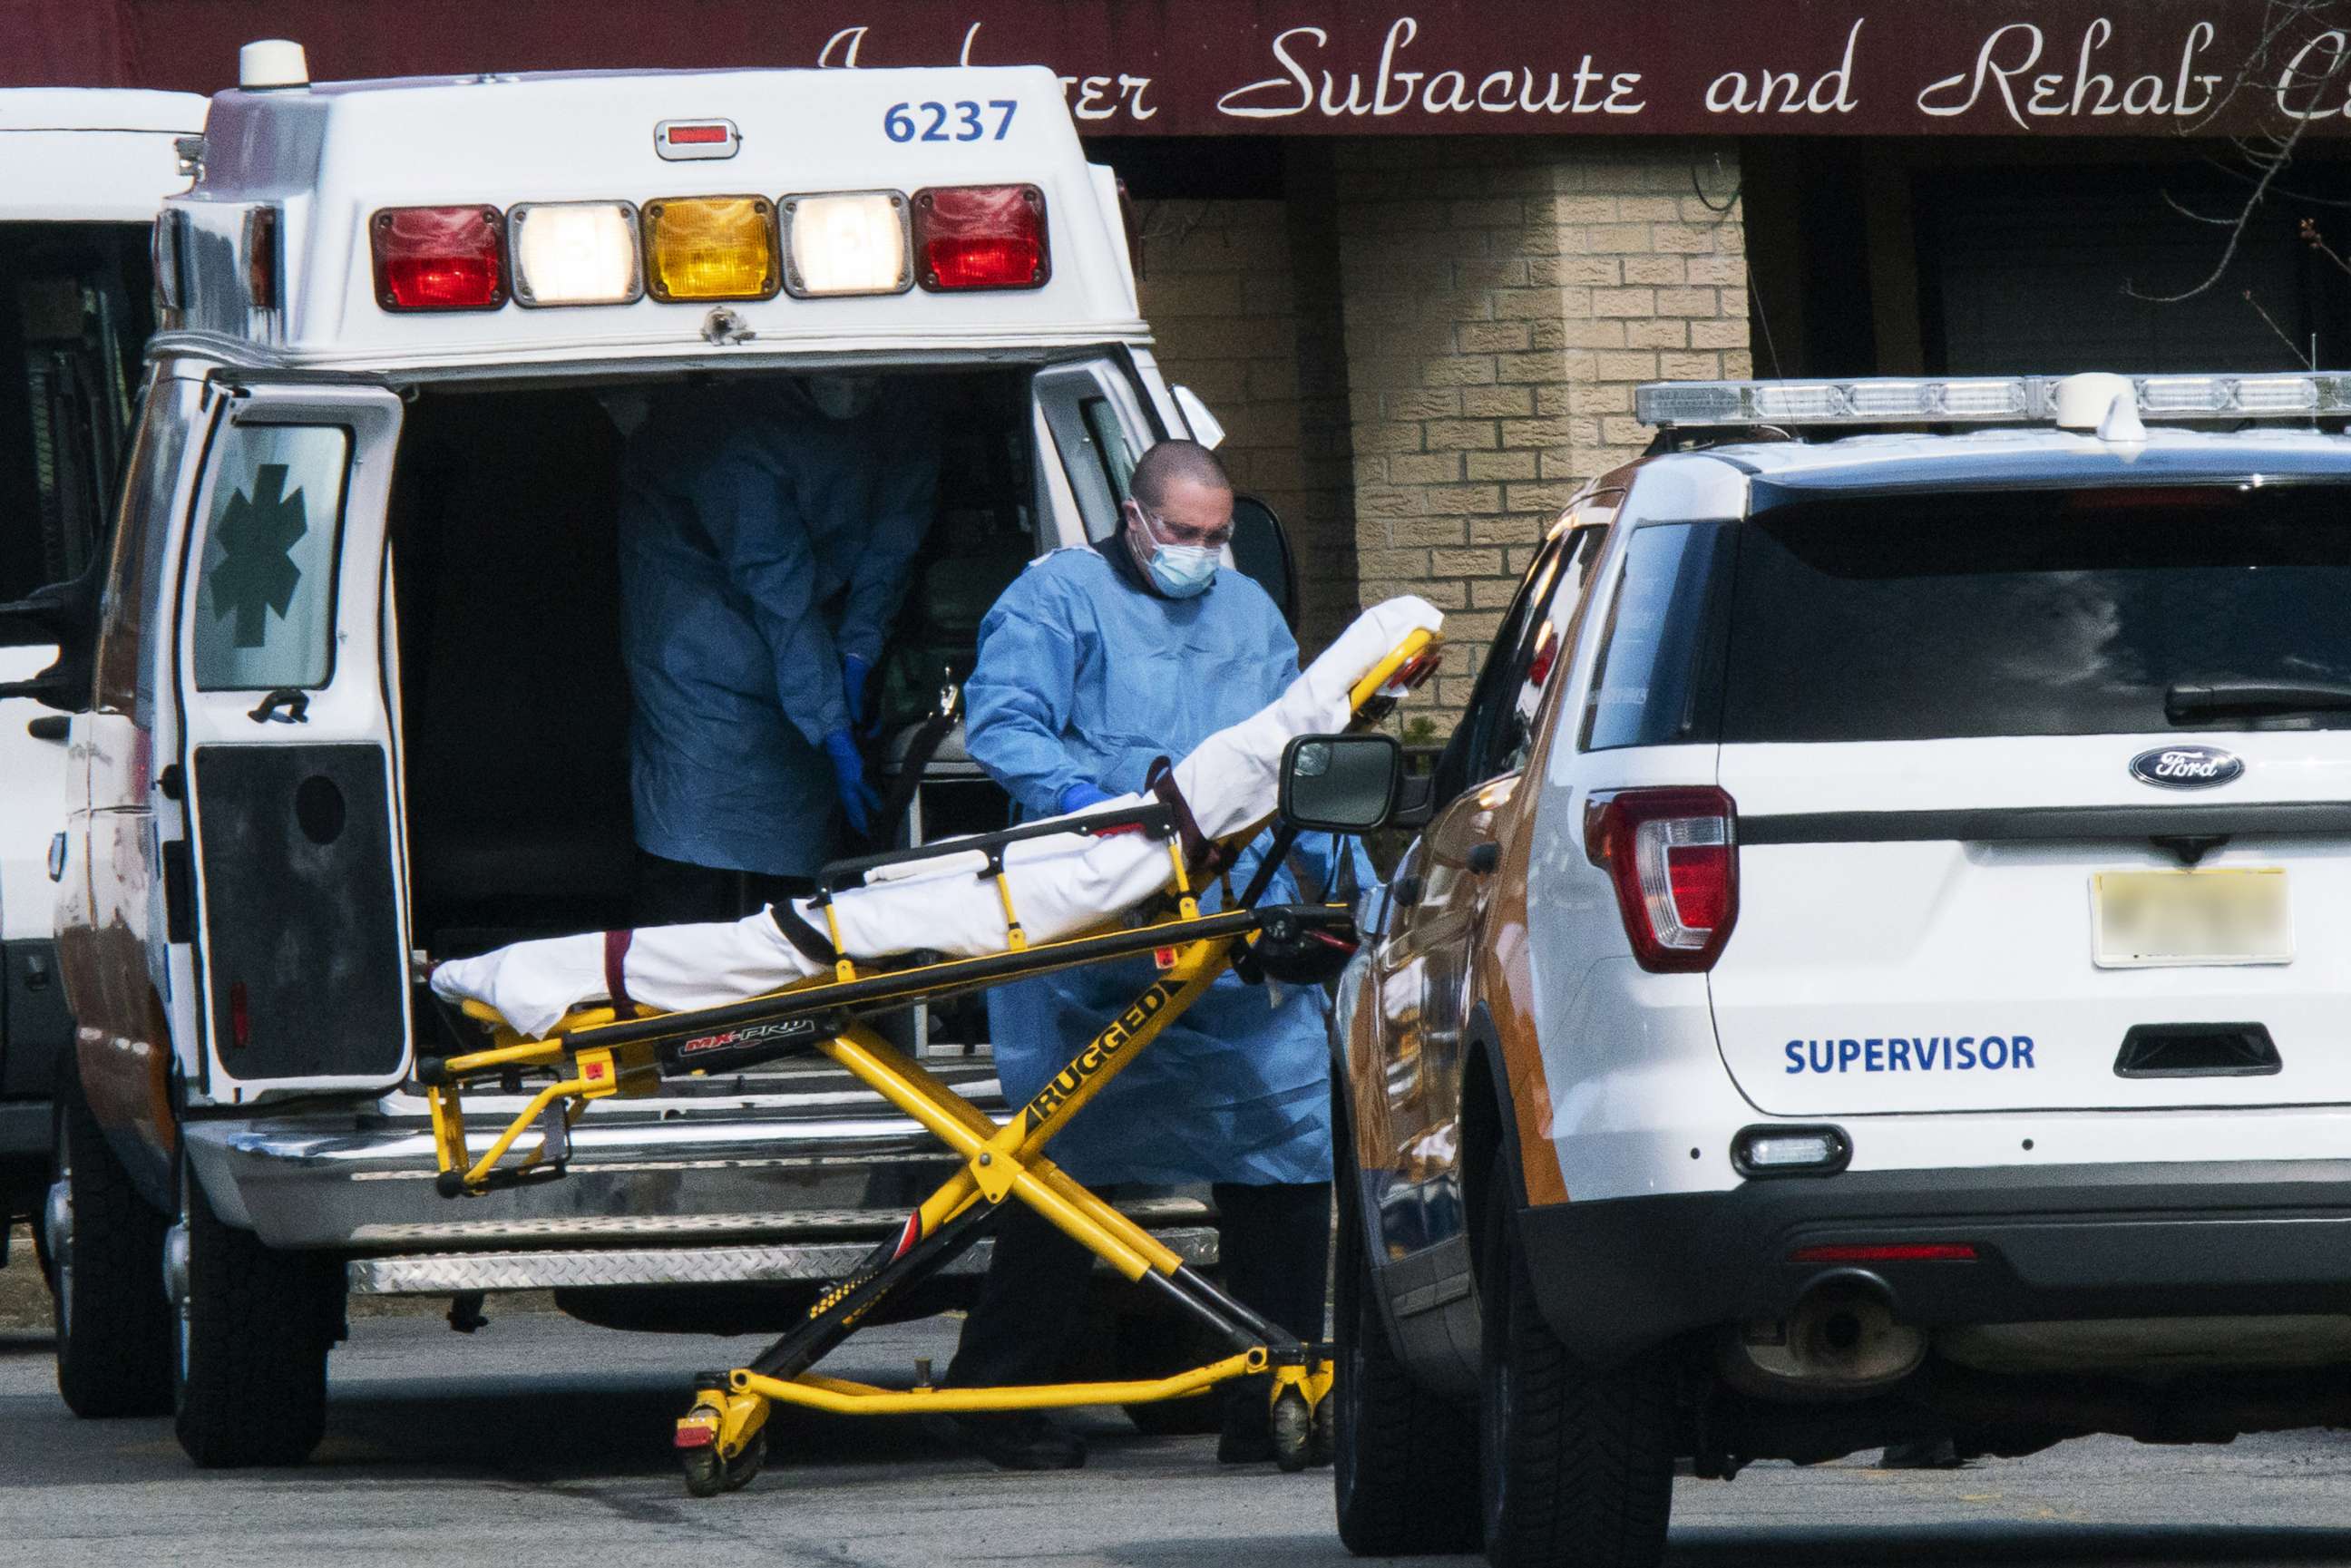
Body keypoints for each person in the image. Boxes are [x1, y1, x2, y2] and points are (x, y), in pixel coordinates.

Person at [936, 439, 1360, 1471]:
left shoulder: (1246, 611)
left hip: (1221, 937)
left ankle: (1271, 1400)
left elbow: (1291, 752)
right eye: (1183, 534)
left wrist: (1348, 892)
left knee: (1286, 1164)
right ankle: (999, 1400)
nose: (1202, 556)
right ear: (1133, 519)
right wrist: (1108, 808)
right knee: (1063, 1175)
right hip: (1098, 932)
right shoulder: (1057, 602)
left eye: (1218, 536)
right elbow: (1004, 725)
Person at [616, 375, 937, 924]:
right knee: (697, 819)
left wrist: (860, 652)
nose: (854, 390)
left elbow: (894, 541)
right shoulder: (730, 433)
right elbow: (779, 589)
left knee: (795, 860)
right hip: (699, 652)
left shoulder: (910, 403)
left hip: (806, 640)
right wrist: (830, 724)